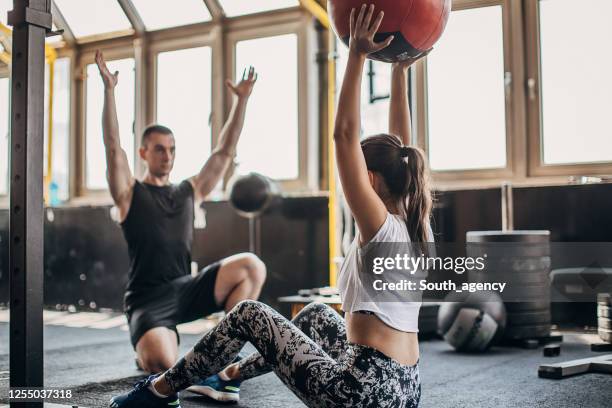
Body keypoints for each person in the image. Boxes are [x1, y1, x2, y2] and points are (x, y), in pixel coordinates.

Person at [108, 5, 433, 407]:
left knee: (249, 313)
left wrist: (357, 55)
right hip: (405, 389)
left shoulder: (379, 225)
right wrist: (400, 70)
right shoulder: (416, 221)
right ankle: (228, 375)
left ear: (369, 181)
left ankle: (157, 392)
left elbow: (344, 135)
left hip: (363, 394)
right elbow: (401, 143)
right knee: (315, 314)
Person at [95, 50, 267, 375]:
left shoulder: (190, 191)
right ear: (144, 152)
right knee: (164, 366)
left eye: (172, 149)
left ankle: (222, 353)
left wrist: (242, 100)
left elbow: (225, 151)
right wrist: (109, 90)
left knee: (252, 267)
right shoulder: (129, 193)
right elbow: (112, 145)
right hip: (147, 300)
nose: (167, 156)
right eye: (159, 149)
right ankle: (151, 347)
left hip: (186, 288)